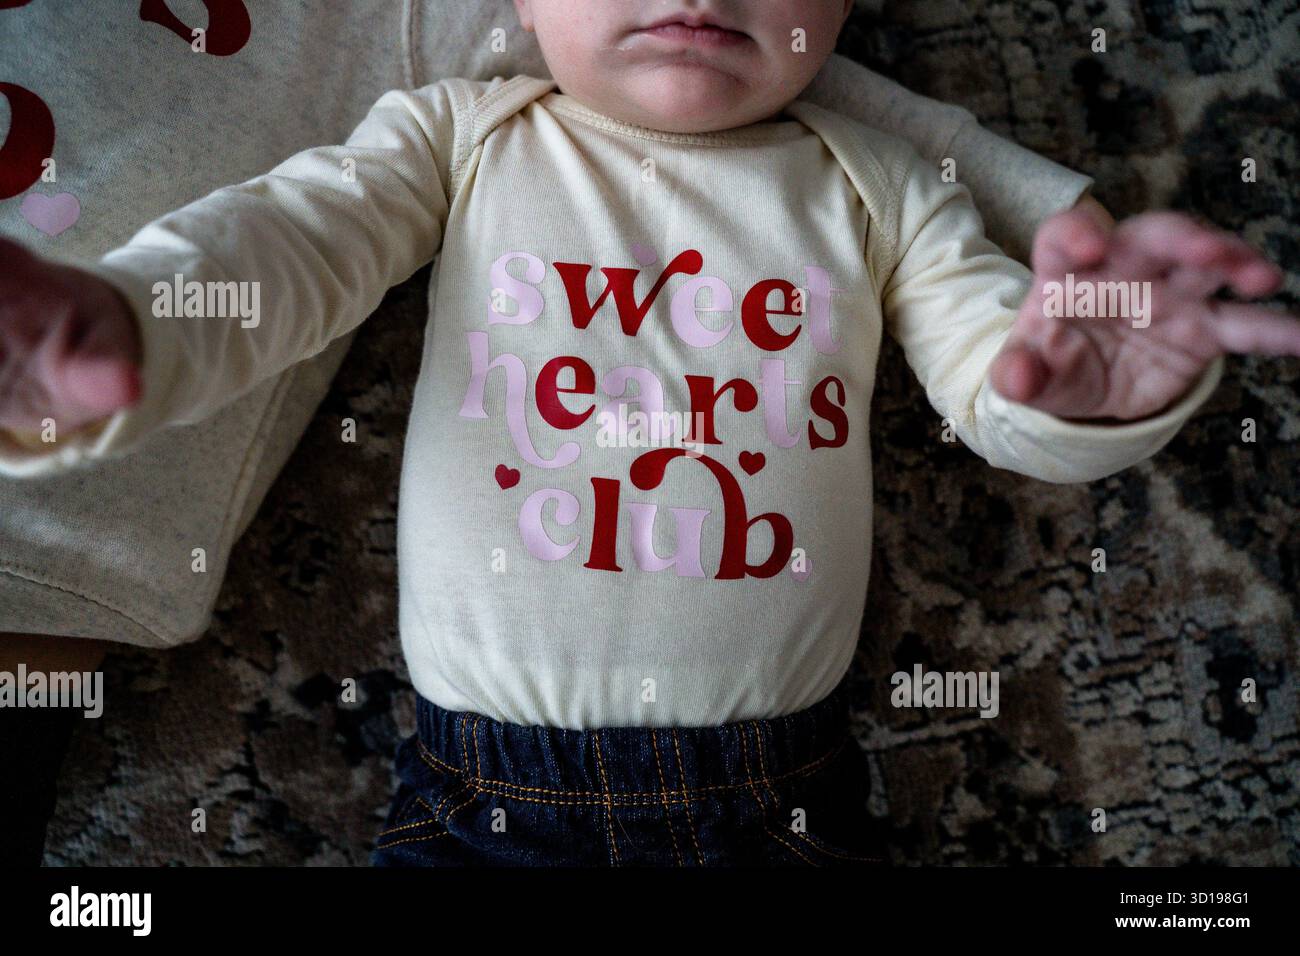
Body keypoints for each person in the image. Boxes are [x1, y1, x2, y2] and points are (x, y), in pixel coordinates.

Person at [5, 0, 1291, 865]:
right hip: (478, 794)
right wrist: (125, 318)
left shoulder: (881, 180)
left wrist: (1088, 389)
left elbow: (992, 380)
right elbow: (278, 251)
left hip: (781, 791)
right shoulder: (460, 133)